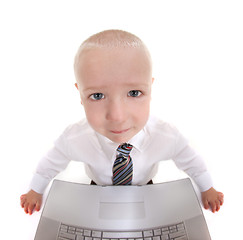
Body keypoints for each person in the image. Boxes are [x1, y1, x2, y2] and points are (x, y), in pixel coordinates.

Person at [20, 29, 224, 215]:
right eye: (97, 96)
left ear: (150, 90)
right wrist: (35, 191)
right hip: (98, 188)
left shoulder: (164, 135)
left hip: (145, 186)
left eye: (134, 93)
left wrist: (207, 188)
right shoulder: (75, 137)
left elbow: (189, 158)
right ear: (80, 95)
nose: (117, 116)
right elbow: (51, 162)